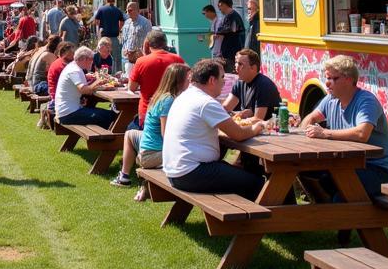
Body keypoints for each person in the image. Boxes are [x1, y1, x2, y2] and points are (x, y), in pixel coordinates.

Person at [297, 55, 388, 200]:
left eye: (334, 79)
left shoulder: (366, 101)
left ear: (349, 79)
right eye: (327, 78)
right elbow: (312, 117)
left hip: (377, 170)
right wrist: (306, 130)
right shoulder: (330, 99)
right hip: (345, 165)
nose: (328, 84)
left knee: (341, 195)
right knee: (308, 174)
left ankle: (336, 219)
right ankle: (323, 218)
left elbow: (362, 134)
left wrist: (324, 133)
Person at [162, 58, 266, 198]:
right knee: (260, 184)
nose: (224, 81)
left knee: (244, 175)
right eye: (222, 77)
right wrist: (257, 127)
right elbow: (238, 134)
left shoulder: (184, 96)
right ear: (212, 80)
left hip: (175, 171)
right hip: (192, 172)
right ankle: (283, 218)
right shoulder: (206, 102)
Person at [112, 63, 191, 191]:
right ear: (179, 81)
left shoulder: (161, 95)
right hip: (153, 156)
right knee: (193, 155)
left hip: (146, 151)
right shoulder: (169, 100)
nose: (190, 82)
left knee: (130, 133)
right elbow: (166, 134)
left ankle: (124, 176)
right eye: (188, 79)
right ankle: (149, 184)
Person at [128, 28, 185, 127]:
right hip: (173, 113)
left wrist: (145, 54)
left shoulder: (142, 62)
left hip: (148, 114)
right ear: (165, 43)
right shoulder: (177, 59)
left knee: (129, 129)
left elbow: (131, 88)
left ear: (147, 44)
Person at [55, 46, 115, 128]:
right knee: (108, 116)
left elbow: (85, 89)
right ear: (84, 59)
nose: (92, 62)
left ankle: (105, 139)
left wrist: (99, 84)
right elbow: (84, 90)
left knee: (108, 115)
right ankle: (105, 139)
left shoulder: (73, 67)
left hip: (68, 111)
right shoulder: (75, 70)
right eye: (91, 59)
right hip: (68, 114)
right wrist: (99, 80)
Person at [222, 48, 281, 122]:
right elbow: (225, 109)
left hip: (270, 129)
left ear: (253, 68)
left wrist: (238, 119)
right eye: (236, 63)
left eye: (240, 64)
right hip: (253, 128)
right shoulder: (240, 83)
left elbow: (258, 119)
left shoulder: (263, 85)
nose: (236, 67)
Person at [214, 0, 246, 72]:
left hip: (231, 54)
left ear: (223, 4)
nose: (219, 8)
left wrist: (219, 33)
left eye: (220, 6)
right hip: (227, 54)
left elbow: (226, 30)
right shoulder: (227, 16)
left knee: (230, 75)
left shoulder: (233, 16)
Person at [94, 0, 126, 68]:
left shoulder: (101, 9)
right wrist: (118, 28)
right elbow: (122, 22)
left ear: (106, 1)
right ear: (114, 2)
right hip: (114, 37)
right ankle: (116, 73)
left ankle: (102, 72)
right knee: (116, 58)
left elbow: (96, 21)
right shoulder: (117, 10)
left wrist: (101, 27)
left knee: (102, 56)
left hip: (104, 37)